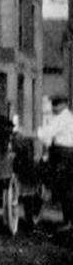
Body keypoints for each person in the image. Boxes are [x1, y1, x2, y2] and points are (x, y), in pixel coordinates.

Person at [37, 94, 73, 231]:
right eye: (53, 104)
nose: (53, 107)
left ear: (64, 104)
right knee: (66, 188)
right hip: (64, 153)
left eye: (56, 104)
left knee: (66, 189)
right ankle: (68, 220)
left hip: (65, 155)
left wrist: (32, 133)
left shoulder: (63, 118)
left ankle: (68, 222)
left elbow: (47, 133)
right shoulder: (65, 117)